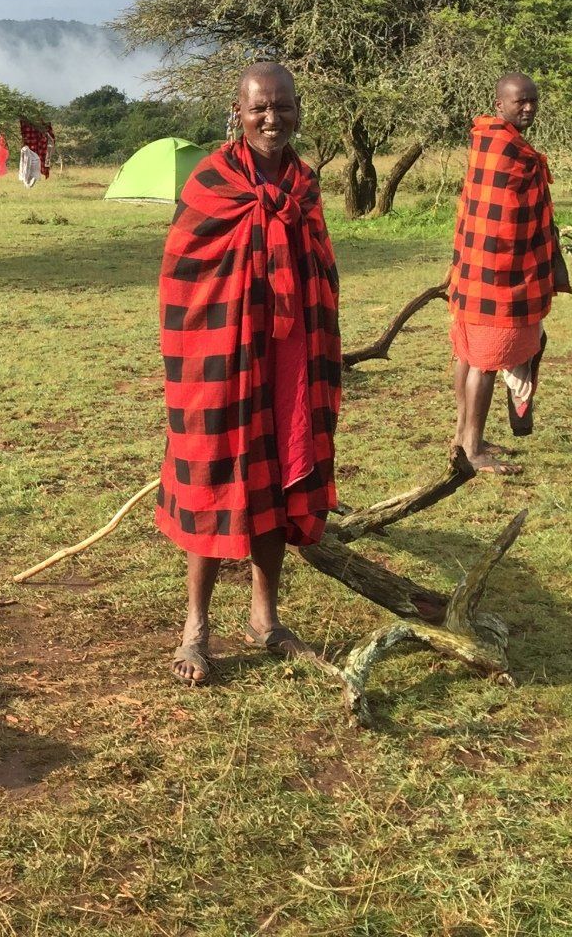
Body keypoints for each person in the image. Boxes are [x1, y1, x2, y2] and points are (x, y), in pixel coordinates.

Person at [158, 63, 343, 686]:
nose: (272, 118)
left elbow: (320, 272)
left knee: (281, 481)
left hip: (289, 361)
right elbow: (184, 285)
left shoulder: (304, 184)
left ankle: (266, 620)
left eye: (283, 106)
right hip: (222, 360)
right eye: (259, 108)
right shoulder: (212, 183)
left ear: (297, 109)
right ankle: (196, 630)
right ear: (237, 112)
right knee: (216, 473)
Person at [448, 73, 571, 474]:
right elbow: (496, 226)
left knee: (469, 357)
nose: (529, 108)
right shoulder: (500, 149)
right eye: (520, 102)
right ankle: (471, 448)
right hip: (495, 278)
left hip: (473, 275)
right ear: (499, 104)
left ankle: (465, 434)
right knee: (484, 361)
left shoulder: (498, 143)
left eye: (533, 101)